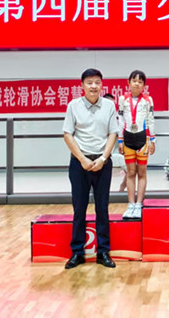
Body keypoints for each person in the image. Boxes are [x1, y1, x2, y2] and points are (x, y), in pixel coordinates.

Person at [62, 68, 118, 269]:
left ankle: (103, 252)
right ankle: (77, 253)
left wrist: (103, 158)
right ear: (82, 86)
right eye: (89, 82)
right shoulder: (73, 106)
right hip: (80, 164)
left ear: (102, 85)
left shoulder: (109, 105)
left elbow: (113, 134)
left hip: (103, 163)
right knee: (79, 208)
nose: (94, 86)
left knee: (102, 208)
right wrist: (82, 159)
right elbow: (67, 134)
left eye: (97, 82)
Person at [117, 70, 156, 220]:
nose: (137, 84)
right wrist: (120, 140)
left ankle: (139, 204)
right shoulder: (123, 99)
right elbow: (120, 120)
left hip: (143, 139)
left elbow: (151, 120)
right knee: (130, 172)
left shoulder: (148, 100)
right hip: (127, 138)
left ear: (144, 85)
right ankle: (131, 204)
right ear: (129, 82)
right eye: (134, 81)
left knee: (142, 172)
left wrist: (152, 140)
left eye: (140, 82)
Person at [103, 93, 127, 192]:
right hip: (100, 154)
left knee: (134, 167)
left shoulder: (118, 119)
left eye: (113, 104)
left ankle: (122, 188)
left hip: (115, 154)